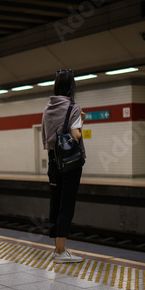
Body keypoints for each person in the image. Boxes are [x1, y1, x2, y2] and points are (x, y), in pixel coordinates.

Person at [41, 69, 86, 264]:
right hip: (70, 162)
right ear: (71, 86)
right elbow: (75, 135)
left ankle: (57, 249)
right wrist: (81, 121)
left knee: (55, 202)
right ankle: (61, 252)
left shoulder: (47, 108)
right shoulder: (73, 107)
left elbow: (46, 138)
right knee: (67, 204)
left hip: (53, 159)